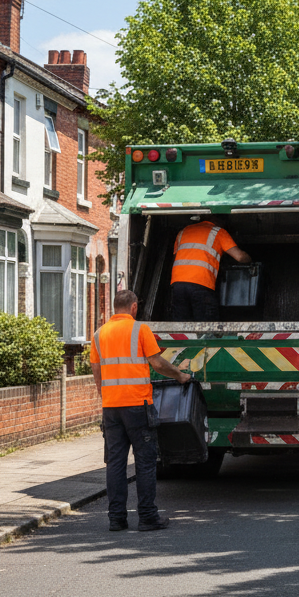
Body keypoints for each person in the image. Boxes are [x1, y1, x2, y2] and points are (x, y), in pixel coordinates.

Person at [92, 289, 192, 532]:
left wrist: (105, 394)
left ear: (115, 307)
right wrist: (180, 375)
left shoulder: (98, 334)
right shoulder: (140, 329)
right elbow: (157, 362)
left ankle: (116, 519)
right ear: (134, 307)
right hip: (137, 405)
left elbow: (97, 370)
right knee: (145, 462)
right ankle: (147, 516)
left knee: (115, 463)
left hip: (111, 407)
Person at [169, 217, 252, 320]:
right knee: (206, 326)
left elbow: (175, 258)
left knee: (180, 325)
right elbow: (240, 257)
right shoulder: (218, 232)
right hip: (201, 283)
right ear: (220, 220)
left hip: (178, 284)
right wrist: (250, 260)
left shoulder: (184, 231)